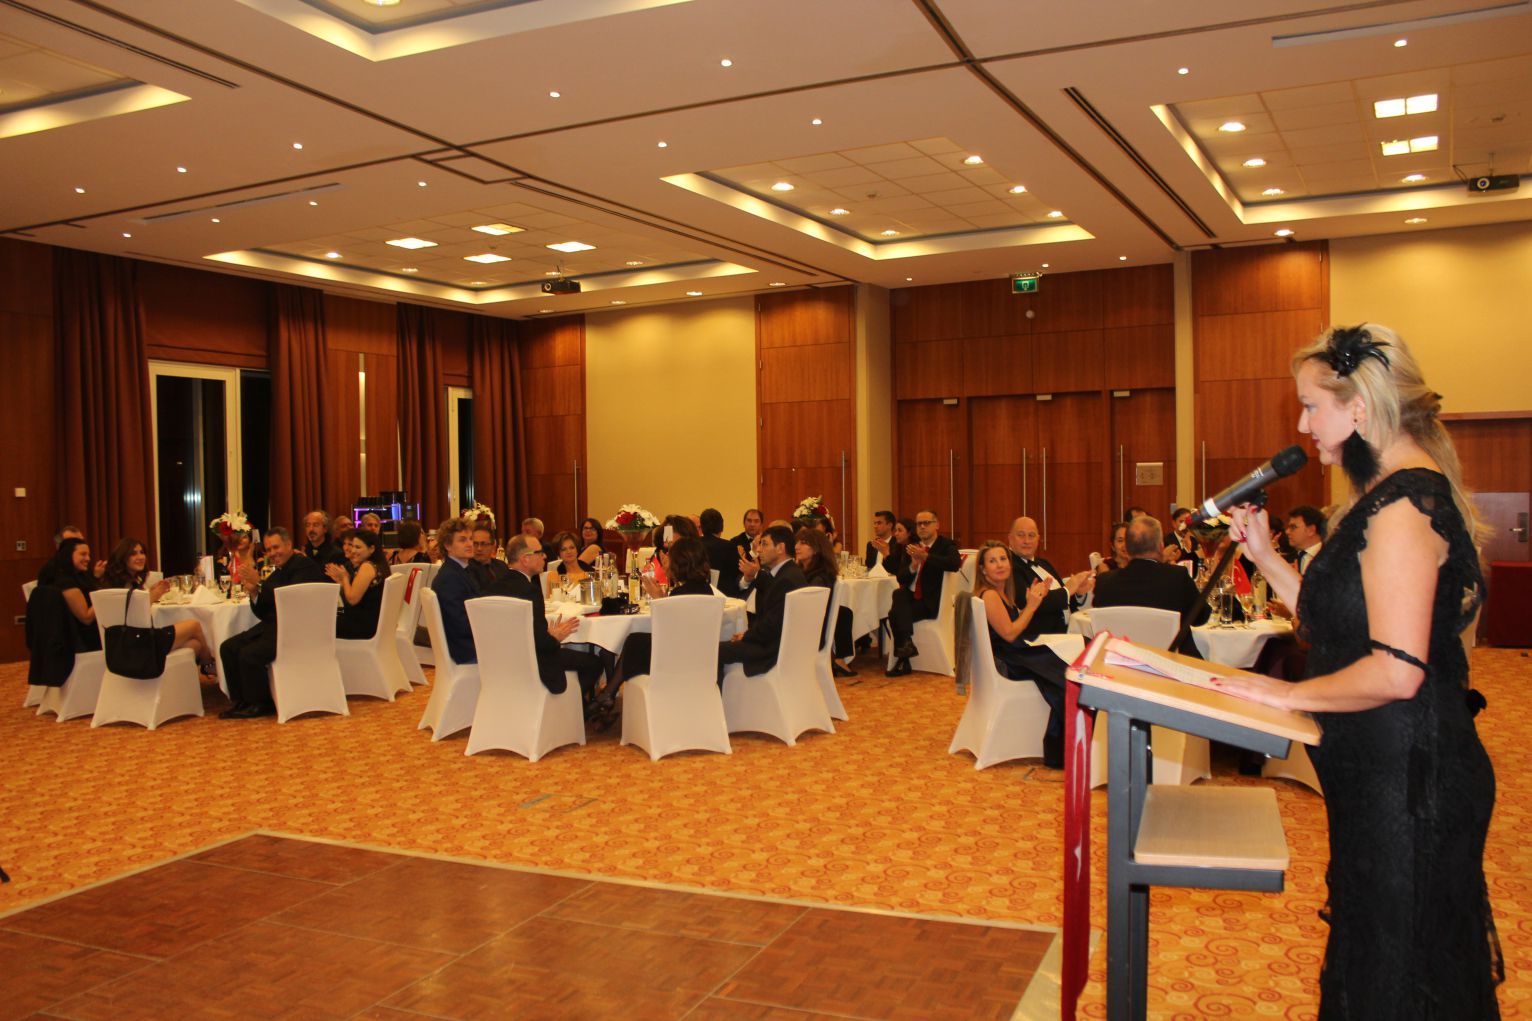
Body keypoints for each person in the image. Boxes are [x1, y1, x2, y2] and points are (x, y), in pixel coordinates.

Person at [1216, 324, 1501, 1019]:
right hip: (1382, 770)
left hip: (1411, 778)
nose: (1302, 424)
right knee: (1378, 960)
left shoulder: (1403, 507)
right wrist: (1267, 557)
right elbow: (1339, 626)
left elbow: (1397, 671)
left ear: (1360, 409)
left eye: (1311, 406)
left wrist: (1285, 691)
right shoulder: (1385, 496)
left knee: (1398, 976)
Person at [971, 541, 1069, 768]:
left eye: (1003, 559)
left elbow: (1013, 627)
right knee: (1064, 677)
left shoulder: (1002, 592)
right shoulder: (990, 595)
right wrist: (1032, 606)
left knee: (1064, 664)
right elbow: (1009, 633)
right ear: (983, 570)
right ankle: (1059, 748)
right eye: (992, 561)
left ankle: (1061, 745)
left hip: (1013, 653)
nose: (999, 565)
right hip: (1008, 661)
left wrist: (1031, 602)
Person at [601, 536, 716, 726]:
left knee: (634, 642)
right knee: (636, 641)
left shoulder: (680, 594)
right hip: (698, 657)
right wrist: (664, 601)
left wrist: (659, 601)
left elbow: (667, 631)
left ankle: (607, 694)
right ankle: (608, 695)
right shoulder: (706, 590)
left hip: (676, 660)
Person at [218, 528, 328, 718]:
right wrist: (254, 593)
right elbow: (264, 611)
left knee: (249, 654)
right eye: (268, 549)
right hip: (275, 626)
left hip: (299, 630)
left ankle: (260, 703)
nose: (272, 553)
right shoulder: (279, 572)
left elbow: (290, 597)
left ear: (289, 545)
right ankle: (241, 700)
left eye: (276, 547)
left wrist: (260, 583)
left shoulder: (304, 566)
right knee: (228, 647)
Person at [501, 534, 605, 698]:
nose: (544, 556)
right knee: (595, 663)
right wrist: (554, 637)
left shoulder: (493, 587)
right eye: (539, 552)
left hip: (502, 662)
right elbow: (542, 644)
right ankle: (572, 704)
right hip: (535, 661)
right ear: (525, 559)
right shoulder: (530, 591)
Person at [1092, 515, 1208, 654]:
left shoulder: (1104, 582)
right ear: (1160, 546)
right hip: (1169, 662)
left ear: (1128, 548)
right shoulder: (1177, 577)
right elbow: (1201, 617)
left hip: (1118, 661)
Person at [100, 537, 215, 670]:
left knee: (195, 644)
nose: (140, 557)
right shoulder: (123, 585)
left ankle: (195, 674)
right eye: (133, 554)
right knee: (194, 625)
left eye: (142, 552)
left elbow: (134, 604)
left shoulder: (128, 580)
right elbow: (132, 615)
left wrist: (150, 592)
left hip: (136, 639)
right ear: (123, 557)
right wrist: (153, 596)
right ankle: (209, 666)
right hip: (138, 642)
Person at [718, 524, 806, 681]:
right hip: (781, 645)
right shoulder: (791, 572)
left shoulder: (785, 580)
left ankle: (715, 695)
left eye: (764, 544)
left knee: (714, 650)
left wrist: (746, 636)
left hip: (770, 650)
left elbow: (772, 625)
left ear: (780, 548)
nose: (758, 550)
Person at [884, 510, 960, 676]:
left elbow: (954, 564)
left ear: (937, 525)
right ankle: (905, 649)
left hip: (931, 602)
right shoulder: (913, 547)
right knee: (899, 594)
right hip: (911, 598)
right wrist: (913, 566)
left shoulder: (946, 545)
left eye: (927, 523)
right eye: (919, 524)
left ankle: (903, 658)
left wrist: (926, 557)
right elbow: (901, 577)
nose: (922, 527)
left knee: (894, 614)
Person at [1006, 516, 1093, 637]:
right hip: (1040, 637)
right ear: (1010, 538)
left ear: (1038, 539)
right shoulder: (1008, 568)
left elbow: (1064, 600)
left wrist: (1078, 592)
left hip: (1066, 631)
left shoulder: (1044, 563)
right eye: (1021, 535)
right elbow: (1030, 602)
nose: (1027, 541)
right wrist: (1068, 589)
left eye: (1031, 535)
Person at [429, 518, 480, 664]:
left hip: (467, 644)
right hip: (466, 650)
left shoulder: (461, 570)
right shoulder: (449, 578)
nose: (470, 544)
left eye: (470, 539)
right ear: (448, 545)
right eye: (462, 540)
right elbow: (460, 624)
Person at [327, 528, 388, 640]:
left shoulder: (367, 567)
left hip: (363, 625)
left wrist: (345, 578)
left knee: (322, 619)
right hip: (372, 621)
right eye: (353, 546)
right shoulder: (379, 565)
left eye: (358, 547)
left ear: (371, 549)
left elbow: (352, 600)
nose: (353, 551)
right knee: (331, 613)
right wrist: (343, 582)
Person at [43, 537, 103, 652]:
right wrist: (105, 596)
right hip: (79, 640)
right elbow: (86, 618)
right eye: (83, 554)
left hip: (90, 634)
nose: (88, 559)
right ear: (68, 555)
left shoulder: (81, 575)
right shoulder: (65, 582)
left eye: (89, 555)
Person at [699, 508, 741, 594]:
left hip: (698, 592)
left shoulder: (693, 545)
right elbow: (737, 574)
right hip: (724, 594)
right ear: (721, 527)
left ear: (701, 527)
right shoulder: (729, 546)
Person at [468, 524, 513, 595]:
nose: (479, 548)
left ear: (493, 546)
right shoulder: (467, 569)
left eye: (483, 544)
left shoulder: (501, 566)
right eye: (475, 544)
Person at [545, 531, 590, 597]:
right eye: (563, 549)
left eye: (572, 547)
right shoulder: (553, 576)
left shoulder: (588, 575)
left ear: (577, 550)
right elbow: (550, 600)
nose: (569, 552)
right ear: (559, 554)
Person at [1285, 505, 1326, 575]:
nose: (1287, 531)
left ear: (1311, 530)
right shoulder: (1286, 561)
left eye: (1293, 527)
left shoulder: (1330, 558)